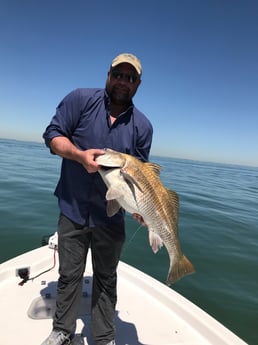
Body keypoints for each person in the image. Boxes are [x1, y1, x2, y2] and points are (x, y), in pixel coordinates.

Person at [42, 53, 153, 345]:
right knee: (69, 274)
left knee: (106, 279)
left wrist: (140, 209)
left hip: (111, 216)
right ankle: (62, 331)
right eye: (118, 74)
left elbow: (139, 177)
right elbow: (52, 135)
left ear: (138, 84)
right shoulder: (80, 100)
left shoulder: (143, 127)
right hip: (73, 208)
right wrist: (78, 156)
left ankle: (104, 338)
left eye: (130, 78)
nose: (123, 82)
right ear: (108, 74)